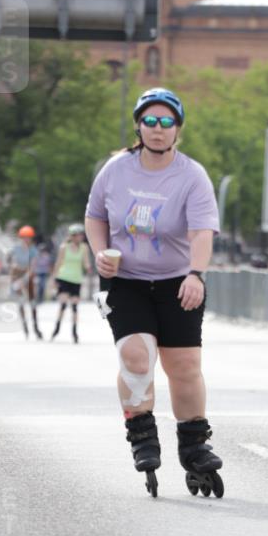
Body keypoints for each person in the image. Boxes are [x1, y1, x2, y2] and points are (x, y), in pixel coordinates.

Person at [84, 87, 223, 499]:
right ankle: (142, 433)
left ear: (177, 128)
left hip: (177, 281)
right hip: (125, 281)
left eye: (166, 122)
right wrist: (99, 254)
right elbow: (94, 217)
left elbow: (202, 231)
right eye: (150, 121)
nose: (158, 129)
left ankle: (195, 446)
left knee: (183, 367)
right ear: (138, 126)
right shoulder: (115, 169)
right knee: (136, 356)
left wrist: (196, 274)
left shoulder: (191, 175)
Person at [50, 224, 91, 343]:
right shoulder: (64, 247)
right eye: (79, 235)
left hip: (76, 279)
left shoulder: (84, 248)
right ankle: (56, 329)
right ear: (73, 236)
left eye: (82, 235)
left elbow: (86, 261)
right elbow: (58, 263)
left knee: (74, 306)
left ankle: (74, 332)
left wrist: (88, 267)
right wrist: (54, 279)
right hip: (64, 278)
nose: (81, 237)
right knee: (63, 304)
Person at [8, 225, 42, 339]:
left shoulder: (33, 250)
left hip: (28, 276)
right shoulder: (16, 249)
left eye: (28, 237)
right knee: (21, 302)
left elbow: (32, 267)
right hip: (18, 276)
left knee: (32, 302)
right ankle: (25, 326)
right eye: (24, 237)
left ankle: (35, 326)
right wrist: (14, 271)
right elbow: (12, 262)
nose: (26, 240)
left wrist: (25, 279)